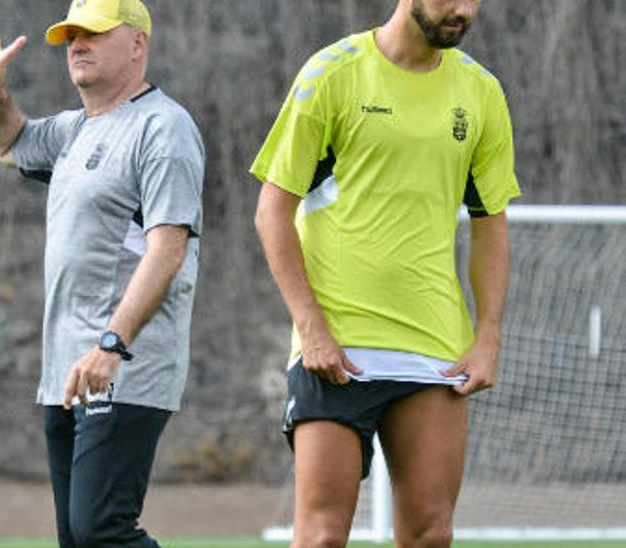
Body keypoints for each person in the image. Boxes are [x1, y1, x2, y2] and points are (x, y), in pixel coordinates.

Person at [250, 0, 520, 546]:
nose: (463, 12)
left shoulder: (482, 92)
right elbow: (271, 213)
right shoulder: (332, 73)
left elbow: (491, 226)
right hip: (337, 348)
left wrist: (487, 335)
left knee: (430, 534)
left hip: (434, 347)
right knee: (322, 536)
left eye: (474, 1)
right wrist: (312, 328)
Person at [0, 1, 204, 546]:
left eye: (94, 33)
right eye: (72, 35)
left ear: (138, 45)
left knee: (101, 530)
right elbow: (8, 144)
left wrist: (112, 344)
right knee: (78, 540)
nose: (77, 45)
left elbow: (167, 250)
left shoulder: (164, 128)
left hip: (122, 365)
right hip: (66, 371)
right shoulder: (73, 130)